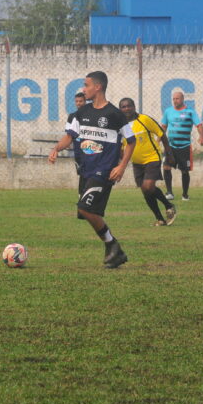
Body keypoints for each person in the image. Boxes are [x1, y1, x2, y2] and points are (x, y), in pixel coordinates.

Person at [49, 71, 136, 269]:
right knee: (87, 213)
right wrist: (56, 148)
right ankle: (113, 250)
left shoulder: (115, 114)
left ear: (98, 87)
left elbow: (132, 141)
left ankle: (113, 245)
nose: (83, 89)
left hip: (104, 171)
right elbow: (69, 137)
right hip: (86, 170)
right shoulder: (81, 113)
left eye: (86, 85)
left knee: (85, 208)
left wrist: (121, 167)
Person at [119, 97, 177, 226]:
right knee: (145, 190)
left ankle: (168, 205)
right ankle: (160, 219)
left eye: (129, 106)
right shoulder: (121, 126)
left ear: (134, 106)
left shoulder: (144, 119)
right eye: (123, 107)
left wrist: (169, 154)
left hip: (152, 158)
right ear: (120, 109)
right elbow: (122, 145)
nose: (126, 109)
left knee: (148, 186)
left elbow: (161, 134)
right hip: (136, 162)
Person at [161, 91, 203, 201]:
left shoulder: (190, 112)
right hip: (170, 146)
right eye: (174, 99)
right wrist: (159, 139)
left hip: (184, 146)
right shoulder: (168, 111)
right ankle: (169, 193)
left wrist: (201, 137)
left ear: (182, 99)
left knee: (184, 171)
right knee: (166, 167)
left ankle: (185, 195)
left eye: (177, 99)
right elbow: (163, 126)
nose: (175, 101)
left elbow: (199, 125)